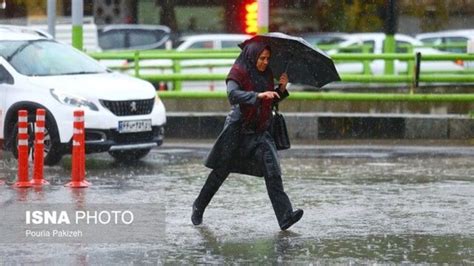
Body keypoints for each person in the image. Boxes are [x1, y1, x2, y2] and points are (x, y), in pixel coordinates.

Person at [191, 40, 303, 231]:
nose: (265, 62)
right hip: (238, 131)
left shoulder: (267, 74)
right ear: (253, 56)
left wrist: (280, 90)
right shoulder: (238, 72)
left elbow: (269, 101)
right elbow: (233, 95)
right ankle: (198, 206)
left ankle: (285, 216)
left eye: (268, 58)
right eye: (262, 58)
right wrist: (258, 96)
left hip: (261, 132)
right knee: (220, 172)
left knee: (273, 171)